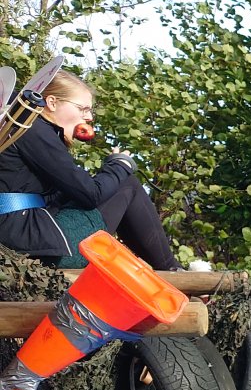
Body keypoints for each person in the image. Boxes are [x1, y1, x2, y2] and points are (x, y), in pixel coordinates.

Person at [0, 70, 179, 269]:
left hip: (21, 236)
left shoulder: (14, 126)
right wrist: (120, 165)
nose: (89, 116)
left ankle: (173, 272)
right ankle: (175, 274)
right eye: (83, 109)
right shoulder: (32, 129)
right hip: (34, 246)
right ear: (51, 102)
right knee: (126, 185)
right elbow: (90, 194)